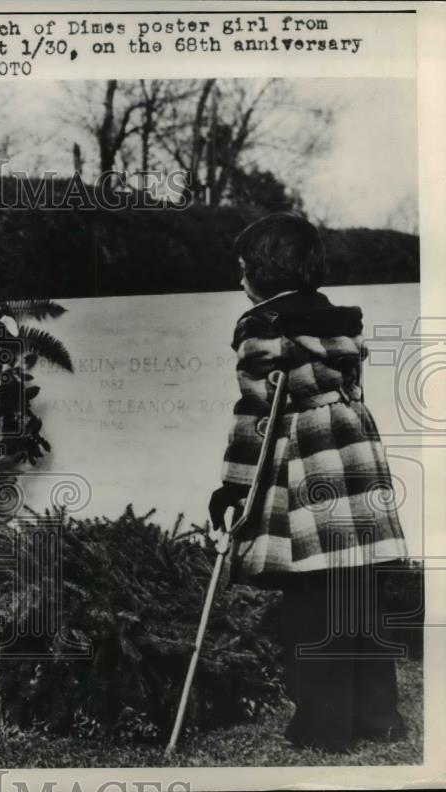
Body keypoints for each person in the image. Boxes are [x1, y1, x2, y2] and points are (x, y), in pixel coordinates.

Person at [209, 212, 410, 753]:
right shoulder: (340, 321)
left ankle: (325, 725)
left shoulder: (262, 329)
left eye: (244, 267)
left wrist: (232, 489)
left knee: (312, 599)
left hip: (307, 464)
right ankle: (379, 716)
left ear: (265, 272)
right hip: (353, 451)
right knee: (358, 591)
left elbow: (256, 416)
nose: (240, 278)